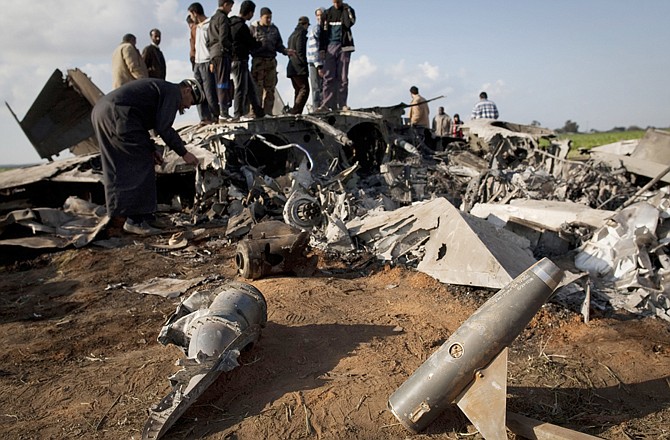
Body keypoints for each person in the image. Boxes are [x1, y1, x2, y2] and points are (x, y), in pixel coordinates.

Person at [91, 78, 203, 235]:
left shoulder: (162, 89)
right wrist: (184, 153)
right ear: (187, 90)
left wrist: (151, 149)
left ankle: (131, 217)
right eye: (192, 101)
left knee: (118, 167)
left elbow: (141, 122)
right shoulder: (172, 92)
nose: (188, 105)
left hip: (103, 112)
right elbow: (163, 127)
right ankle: (137, 221)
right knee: (141, 166)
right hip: (119, 115)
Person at [250, 8, 295, 115]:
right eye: (267, 18)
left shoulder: (274, 29)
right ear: (261, 17)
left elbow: (279, 45)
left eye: (270, 17)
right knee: (257, 89)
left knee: (270, 89)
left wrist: (285, 51)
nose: (269, 20)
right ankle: (254, 112)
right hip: (258, 61)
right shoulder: (253, 29)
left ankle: (268, 113)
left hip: (271, 61)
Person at [319, 0, 356, 111]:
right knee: (328, 76)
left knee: (343, 77)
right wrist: (322, 49)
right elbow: (322, 32)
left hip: (344, 47)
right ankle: (326, 104)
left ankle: (342, 104)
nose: (336, 4)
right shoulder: (327, 13)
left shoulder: (348, 10)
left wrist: (346, 9)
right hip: (330, 46)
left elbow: (349, 23)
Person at [230, 1, 264, 119]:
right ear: (250, 12)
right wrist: (260, 42)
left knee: (250, 88)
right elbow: (252, 44)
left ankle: (258, 111)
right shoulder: (241, 26)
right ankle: (237, 114)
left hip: (235, 60)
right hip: (240, 61)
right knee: (241, 88)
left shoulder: (231, 24)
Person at [189, 2, 219, 123]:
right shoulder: (195, 28)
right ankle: (204, 117)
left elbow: (214, 43)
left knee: (209, 92)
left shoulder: (210, 24)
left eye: (191, 15)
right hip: (197, 62)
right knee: (197, 91)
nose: (191, 18)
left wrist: (213, 60)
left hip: (207, 61)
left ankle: (214, 116)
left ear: (195, 13)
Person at [207, 0, 235, 120]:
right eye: (230, 6)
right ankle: (224, 112)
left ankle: (221, 111)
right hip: (222, 53)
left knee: (219, 82)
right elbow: (223, 38)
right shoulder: (223, 18)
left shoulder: (212, 19)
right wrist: (231, 49)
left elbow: (208, 41)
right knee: (223, 83)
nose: (231, 9)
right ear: (225, 5)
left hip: (214, 53)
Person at [286, 16, 310, 115]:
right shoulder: (301, 34)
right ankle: (296, 112)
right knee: (304, 89)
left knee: (298, 90)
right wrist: (304, 65)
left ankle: (295, 111)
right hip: (298, 67)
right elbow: (300, 51)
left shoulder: (292, 35)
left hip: (291, 66)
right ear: (306, 24)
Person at [306, 7, 325, 112]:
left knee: (323, 86)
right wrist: (319, 65)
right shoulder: (316, 29)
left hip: (323, 62)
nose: (319, 17)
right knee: (317, 88)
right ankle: (317, 108)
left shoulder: (324, 29)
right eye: (317, 15)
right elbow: (313, 48)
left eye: (321, 15)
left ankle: (322, 106)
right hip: (315, 62)